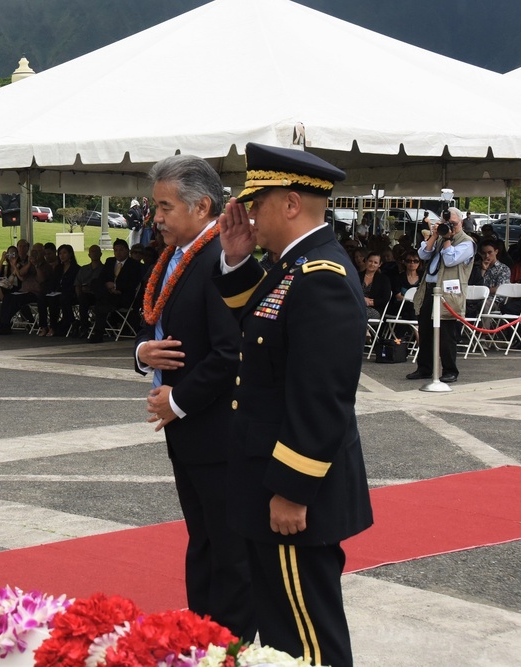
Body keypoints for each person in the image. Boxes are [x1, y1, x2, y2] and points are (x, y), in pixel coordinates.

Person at [215, 143, 373, 667]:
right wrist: (238, 261)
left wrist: (291, 489)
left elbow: (321, 397)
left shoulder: (321, 277)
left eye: (257, 205)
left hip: (293, 498)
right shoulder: (293, 267)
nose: (250, 216)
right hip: (271, 484)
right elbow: (263, 329)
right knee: (282, 632)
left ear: (289, 203)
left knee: (309, 641)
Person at [135, 154, 254, 638]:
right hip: (188, 433)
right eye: (155, 206)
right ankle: (200, 638)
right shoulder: (177, 257)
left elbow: (231, 354)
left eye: (165, 207)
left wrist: (178, 402)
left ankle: (229, 645)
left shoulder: (219, 261)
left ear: (202, 206)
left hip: (217, 433)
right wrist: (143, 353)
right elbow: (161, 330)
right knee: (202, 542)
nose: (156, 217)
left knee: (230, 553)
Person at [407, 207, 475, 383]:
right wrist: (435, 236)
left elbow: (450, 259)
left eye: (453, 223)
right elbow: (423, 254)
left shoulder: (467, 242)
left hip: (447, 294)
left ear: (461, 223)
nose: (449, 227)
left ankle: (450, 370)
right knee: (425, 330)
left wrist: (448, 239)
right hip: (429, 289)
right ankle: (424, 368)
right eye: (447, 223)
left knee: (446, 334)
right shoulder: (438, 238)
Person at [88, 238, 142, 343]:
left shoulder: (134, 265)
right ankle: (96, 332)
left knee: (101, 303)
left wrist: (116, 287)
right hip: (107, 294)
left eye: (121, 250)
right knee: (95, 283)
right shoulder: (110, 261)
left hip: (123, 296)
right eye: (116, 250)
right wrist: (108, 286)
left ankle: (98, 333)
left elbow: (132, 283)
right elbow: (102, 278)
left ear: (127, 251)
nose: (118, 253)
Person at [74, 245, 104, 336]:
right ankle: (82, 325)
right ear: (89, 255)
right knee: (82, 299)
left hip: (97, 295)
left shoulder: (104, 269)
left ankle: (85, 326)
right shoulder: (83, 269)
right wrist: (79, 294)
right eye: (92, 252)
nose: (94, 254)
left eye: (96, 251)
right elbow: (77, 284)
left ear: (100, 254)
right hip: (84, 295)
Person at [360, 250, 393, 320]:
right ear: (366, 261)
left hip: (375, 309)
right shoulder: (357, 276)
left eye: (375, 262)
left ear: (380, 264)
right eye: (370, 261)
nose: (372, 264)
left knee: (357, 312)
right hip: (356, 305)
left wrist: (370, 303)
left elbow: (385, 298)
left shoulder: (384, 279)